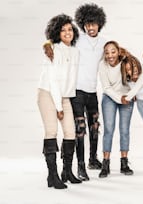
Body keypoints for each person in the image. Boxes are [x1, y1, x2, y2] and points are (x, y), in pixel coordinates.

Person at [43, 3, 107, 181]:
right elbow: (55, 40)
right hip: (76, 91)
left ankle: (93, 159)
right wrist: (46, 44)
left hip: (93, 90)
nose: (91, 27)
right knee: (79, 129)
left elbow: (114, 53)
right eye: (87, 23)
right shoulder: (78, 40)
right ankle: (80, 166)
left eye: (94, 23)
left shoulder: (103, 43)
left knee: (94, 127)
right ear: (83, 24)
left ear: (100, 24)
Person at [38, 14, 82, 189]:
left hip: (64, 96)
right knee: (52, 131)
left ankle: (67, 171)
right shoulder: (53, 50)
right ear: (57, 32)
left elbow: (71, 79)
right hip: (48, 93)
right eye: (63, 30)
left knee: (70, 133)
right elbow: (54, 80)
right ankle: (52, 175)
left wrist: (66, 100)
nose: (67, 32)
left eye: (70, 29)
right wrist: (58, 106)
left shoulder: (76, 51)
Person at [98, 41, 134, 178]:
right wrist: (121, 98)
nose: (110, 55)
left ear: (118, 52)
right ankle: (105, 163)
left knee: (124, 130)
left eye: (113, 51)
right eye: (107, 52)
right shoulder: (102, 65)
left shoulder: (126, 61)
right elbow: (106, 88)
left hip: (127, 98)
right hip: (110, 98)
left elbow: (135, 78)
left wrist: (131, 95)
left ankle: (124, 163)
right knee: (108, 130)